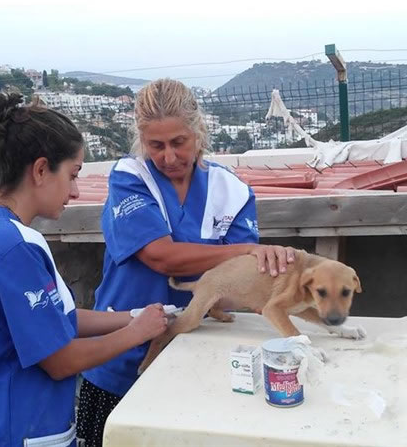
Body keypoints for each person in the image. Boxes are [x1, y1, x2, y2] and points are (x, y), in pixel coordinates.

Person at [0, 93, 168, 447]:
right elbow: (60, 360)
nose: (74, 191)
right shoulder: (14, 249)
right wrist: (135, 335)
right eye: (72, 175)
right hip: (9, 431)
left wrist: (132, 317)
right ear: (40, 170)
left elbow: (55, 321)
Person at [77, 79, 294, 446]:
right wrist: (242, 252)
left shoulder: (233, 191)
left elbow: (236, 285)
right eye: (155, 145)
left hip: (197, 359)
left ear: (199, 132)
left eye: (179, 142)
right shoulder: (131, 178)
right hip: (120, 362)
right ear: (141, 141)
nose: (168, 157)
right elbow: (161, 256)